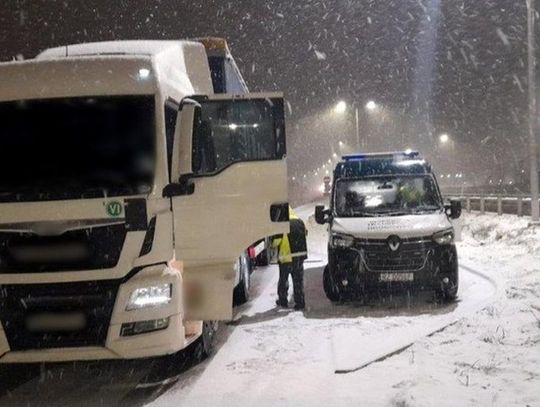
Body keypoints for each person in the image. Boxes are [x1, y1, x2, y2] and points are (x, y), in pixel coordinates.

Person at [272, 208, 308, 310]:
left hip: (286, 256)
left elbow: (276, 241)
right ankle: (300, 302)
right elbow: (305, 234)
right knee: (298, 280)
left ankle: (283, 300)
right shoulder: (300, 221)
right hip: (299, 256)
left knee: (284, 280)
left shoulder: (282, 224)